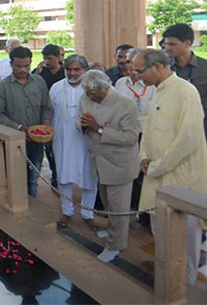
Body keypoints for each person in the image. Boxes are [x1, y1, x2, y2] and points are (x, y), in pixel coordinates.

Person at [134, 49, 207, 284]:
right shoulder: (157, 92)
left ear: (156, 67)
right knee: (161, 234)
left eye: (139, 71)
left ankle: (184, 289)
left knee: (184, 240)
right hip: (155, 175)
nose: (137, 77)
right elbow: (148, 129)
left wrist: (156, 167)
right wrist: (143, 156)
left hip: (180, 180)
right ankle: (166, 281)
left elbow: (188, 140)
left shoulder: (186, 91)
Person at [80, 70, 139, 263]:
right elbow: (81, 118)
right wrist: (82, 124)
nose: (88, 97)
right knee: (107, 202)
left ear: (104, 89)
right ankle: (111, 230)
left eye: (92, 94)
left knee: (119, 209)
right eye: (87, 93)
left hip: (119, 164)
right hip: (98, 160)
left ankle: (115, 246)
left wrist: (99, 128)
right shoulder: (86, 96)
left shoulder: (125, 104)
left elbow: (131, 138)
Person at [0, 47, 54, 197]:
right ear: (11, 64)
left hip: (36, 141)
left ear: (31, 63)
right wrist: (18, 128)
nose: (23, 69)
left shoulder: (39, 82)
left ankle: (31, 205)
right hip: (14, 141)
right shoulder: (3, 87)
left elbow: (47, 107)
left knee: (33, 179)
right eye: (18, 66)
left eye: (26, 66)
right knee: (15, 178)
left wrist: (45, 124)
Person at [50, 55, 98, 230]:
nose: (72, 73)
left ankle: (88, 213)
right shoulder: (56, 88)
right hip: (62, 138)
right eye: (69, 69)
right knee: (63, 175)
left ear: (85, 70)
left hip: (86, 140)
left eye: (77, 69)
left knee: (90, 177)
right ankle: (67, 211)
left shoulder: (92, 88)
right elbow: (50, 113)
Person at [114, 47, 154, 226]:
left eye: (132, 62)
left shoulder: (152, 85)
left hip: (147, 135)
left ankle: (146, 214)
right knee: (129, 173)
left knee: (145, 175)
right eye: (127, 61)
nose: (128, 65)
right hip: (125, 134)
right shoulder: (121, 84)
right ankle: (131, 209)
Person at [162, 23, 207, 136]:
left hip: (201, 126)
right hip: (171, 127)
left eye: (172, 44)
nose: (167, 48)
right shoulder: (163, 68)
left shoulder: (204, 67)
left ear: (187, 43)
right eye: (166, 44)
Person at [34, 44, 65, 189]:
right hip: (47, 116)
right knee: (50, 147)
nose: (47, 61)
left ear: (58, 57)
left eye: (50, 58)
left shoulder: (66, 72)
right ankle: (55, 175)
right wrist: (37, 74)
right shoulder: (41, 73)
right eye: (45, 58)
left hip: (64, 114)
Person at [0, 37, 22, 109]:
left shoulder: (26, 65)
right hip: (5, 105)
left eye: (19, 49)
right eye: (13, 49)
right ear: (6, 49)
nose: (17, 52)